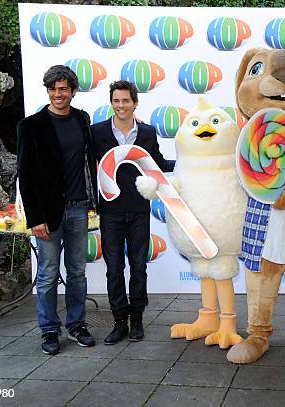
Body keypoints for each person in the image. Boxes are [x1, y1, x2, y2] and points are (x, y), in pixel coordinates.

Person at [17, 65, 97, 355]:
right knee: (48, 274)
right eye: (52, 89)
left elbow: (89, 161)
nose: (57, 94)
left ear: (73, 91)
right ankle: (49, 330)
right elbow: (24, 176)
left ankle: (77, 325)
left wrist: (94, 202)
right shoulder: (31, 126)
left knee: (77, 272)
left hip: (78, 208)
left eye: (63, 88)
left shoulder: (82, 119)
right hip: (47, 215)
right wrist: (35, 217)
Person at [91, 80, 175, 344]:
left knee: (139, 267)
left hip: (139, 209)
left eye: (125, 100)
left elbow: (157, 164)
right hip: (110, 210)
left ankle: (136, 319)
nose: (121, 106)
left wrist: (190, 161)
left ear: (135, 103)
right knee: (114, 269)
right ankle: (119, 322)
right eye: (116, 101)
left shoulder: (147, 133)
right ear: (111, 103)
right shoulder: (97, 132)